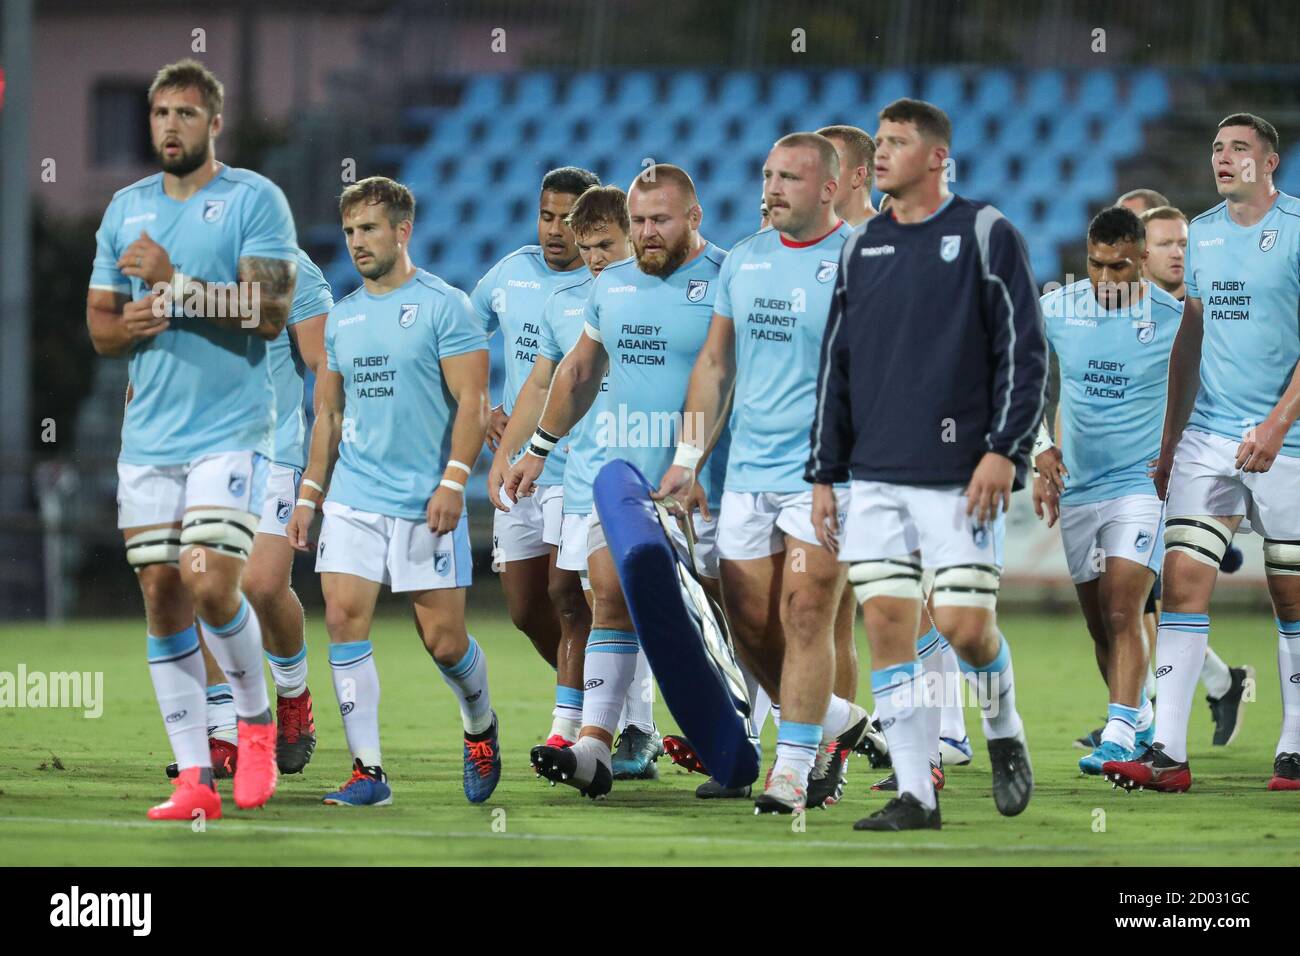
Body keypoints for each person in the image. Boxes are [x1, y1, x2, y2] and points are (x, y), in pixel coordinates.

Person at [808, 98, 1047, 830]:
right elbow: (836, 365)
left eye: (898, 142)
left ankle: (1004, 730)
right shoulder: (861, 246)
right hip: (876, 474)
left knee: (966, 627)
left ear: (938, 156)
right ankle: (917, 792)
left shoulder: (984, 232)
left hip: (960, 475)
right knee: (886, 624)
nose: (880, 153)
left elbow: (1025, 352)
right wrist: (825, 472)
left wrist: (1005, 451)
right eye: (877, 142)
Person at [87, 59, 298, 820]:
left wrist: (176, 287)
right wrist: (128, 325)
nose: (170, 126)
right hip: (148, 438)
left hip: (230, 431)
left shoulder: (253, 201)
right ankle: (193, 779)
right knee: (160, 594)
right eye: (159, 114)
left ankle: (254, 722)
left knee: (210, 582)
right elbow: (101, 324)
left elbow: (270, 313)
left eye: (185, 113)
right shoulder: (124, 210)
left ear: (215, 123)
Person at [656, 133, 870, 814]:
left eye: (790, 179)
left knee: (806, 612)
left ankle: (793, 769)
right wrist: (688, 458)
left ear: (831, 188)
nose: (772, 190)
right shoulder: (743, 260)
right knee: (749, 625)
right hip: (746, 473)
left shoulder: (865, 261)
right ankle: (838, 722)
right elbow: (715, 366)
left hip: (826, 476)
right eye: (768, 176)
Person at [505, 164, 729, 799]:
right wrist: (538, 450)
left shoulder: (724, 278)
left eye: (660, 219)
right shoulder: (611, 287)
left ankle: (748, 737)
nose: (648, 232)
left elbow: (726, 375)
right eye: (639, 221)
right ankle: (595, 748)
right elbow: (578, 371)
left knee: (723, 612)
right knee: (608, 595)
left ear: (694, 217)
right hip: (624, 479)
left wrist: (694, 456)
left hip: (703, 478)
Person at [286, 177, 499, 805]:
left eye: (369, 229)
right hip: (354, 498)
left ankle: (479, 725)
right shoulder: (342, 319)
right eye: (349, 231)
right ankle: (368, 772)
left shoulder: (446, 306)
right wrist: (309, 495)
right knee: (344, 620)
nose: (356, 243)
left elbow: (473, 402)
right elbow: (326, 415)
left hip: (424, 502)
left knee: (444, 642)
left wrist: (455, 482)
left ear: (403, 231)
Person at [1105, 113, 1300, 793]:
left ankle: (1295, 746)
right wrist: (1170, 437)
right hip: (1208, 439)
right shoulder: (1204, 236)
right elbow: (1192, 334)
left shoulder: (1299, 229)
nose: (1224, 157)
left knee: (1290, 593)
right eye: (1218, 148)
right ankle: (1167, 752)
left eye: (1240, 148)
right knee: (1182, 584)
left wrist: (1277, 427)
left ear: (1269, 161)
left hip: (1291, 442)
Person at [491, 184, 664, 779]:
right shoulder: (564, 302)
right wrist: (518, 451)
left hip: (649, 471)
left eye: (603, 245)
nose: (592, 257)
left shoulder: (661, 295)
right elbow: (545, 384)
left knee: (616, 600)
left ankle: (642, 728)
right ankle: (583, 728)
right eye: (586, 246)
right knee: (573, 600)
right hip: (578, 468)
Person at [1033, 205, 1179, 774]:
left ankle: (1117, 736)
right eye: (1096, 265)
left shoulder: (1175, 319)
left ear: (1142, 259)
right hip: (1078, 488)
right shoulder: (1057, 308)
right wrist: (1039, 447)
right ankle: (1137, 720)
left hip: (1140, 486)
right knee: (1100, 623)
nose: (1106, 279)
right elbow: (1020, 380)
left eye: (1119, 268)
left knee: (1123, 608)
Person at [472, 167, 601, 740]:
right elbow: (460, 340)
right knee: (526, 608)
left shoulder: (607, 287)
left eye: (568, 220)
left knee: (569, 595)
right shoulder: (510, 273)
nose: (555, 230)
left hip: (578, 465)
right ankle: (606, 698)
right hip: (522, 461)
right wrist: (480, 412)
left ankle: (606, 719)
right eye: (547, 216)